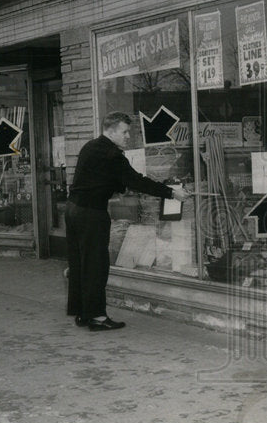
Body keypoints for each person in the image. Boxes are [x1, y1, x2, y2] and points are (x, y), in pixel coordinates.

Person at [66, 111, 190, 331]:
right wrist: (171, 193)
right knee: (96, 265)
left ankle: (82, 312)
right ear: (111, 130)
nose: (128, 137)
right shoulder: (111, 154)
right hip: (91, 214)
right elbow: (136, 181)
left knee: (80, 263)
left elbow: (99, 178)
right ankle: (97, 317)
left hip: (74, 211)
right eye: (124, 132)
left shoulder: (90, 146)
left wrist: (116, 186)